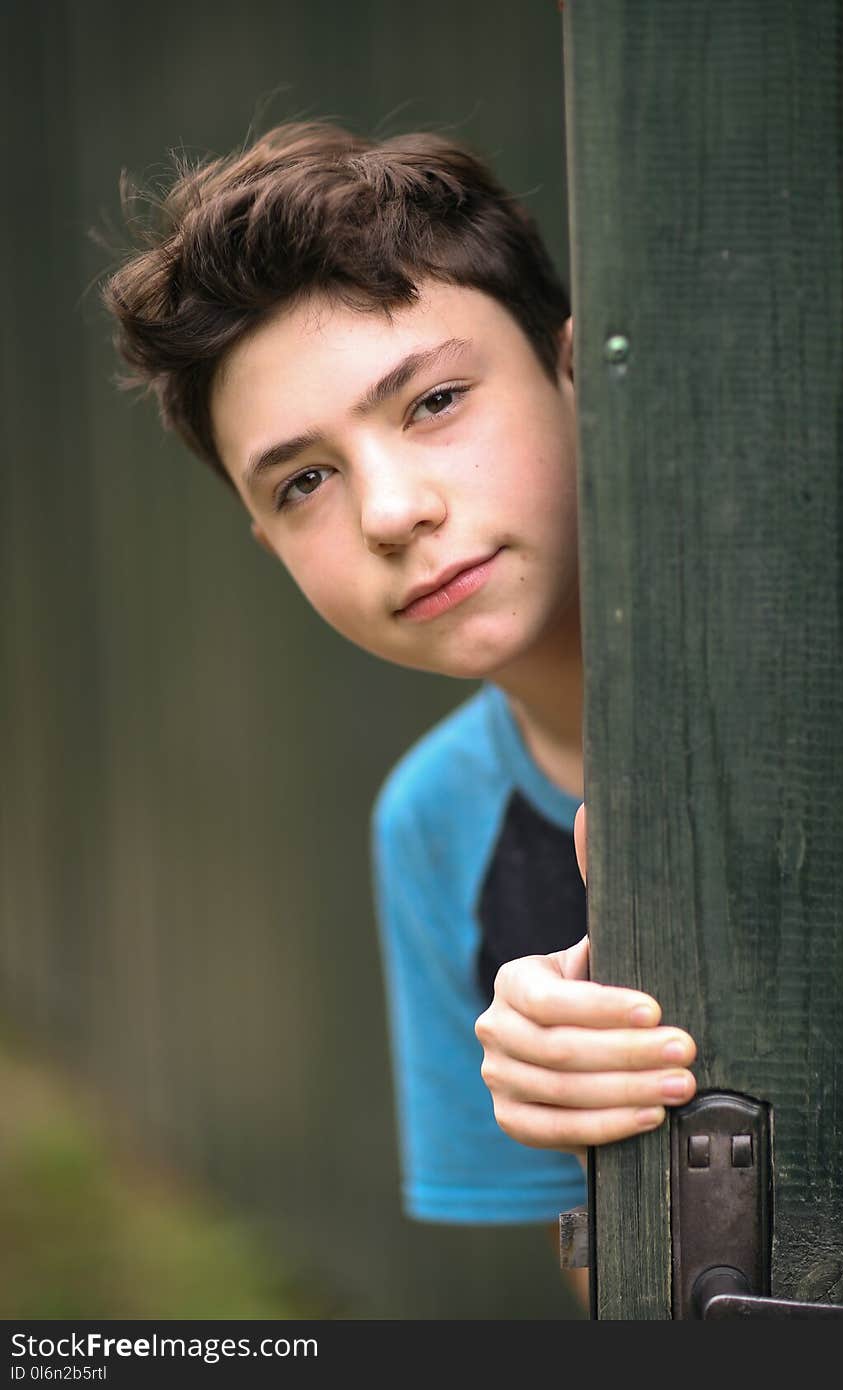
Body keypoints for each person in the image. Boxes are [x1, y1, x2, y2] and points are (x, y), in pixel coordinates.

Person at [102, 120, 697, 1309]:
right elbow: (608, 1295)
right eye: (303, 481)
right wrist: (580, 1134)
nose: (387, 511)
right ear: (266, 542)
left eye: (431, 400)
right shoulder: (434, 825)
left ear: (576, 372)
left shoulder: (823, 684)